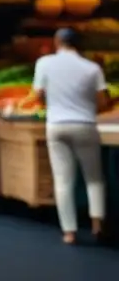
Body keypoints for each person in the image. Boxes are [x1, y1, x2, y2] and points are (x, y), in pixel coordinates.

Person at [33, 28, 111, 244]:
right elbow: (103, 102)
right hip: (85, 125)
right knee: (94, 178)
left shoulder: (44, 63)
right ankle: (97, 226)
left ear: (58, 41)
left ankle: (69, 232)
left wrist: (53, 104)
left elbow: (38, 96)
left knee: (63, 180)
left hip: (56, 125)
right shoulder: (92, 68)